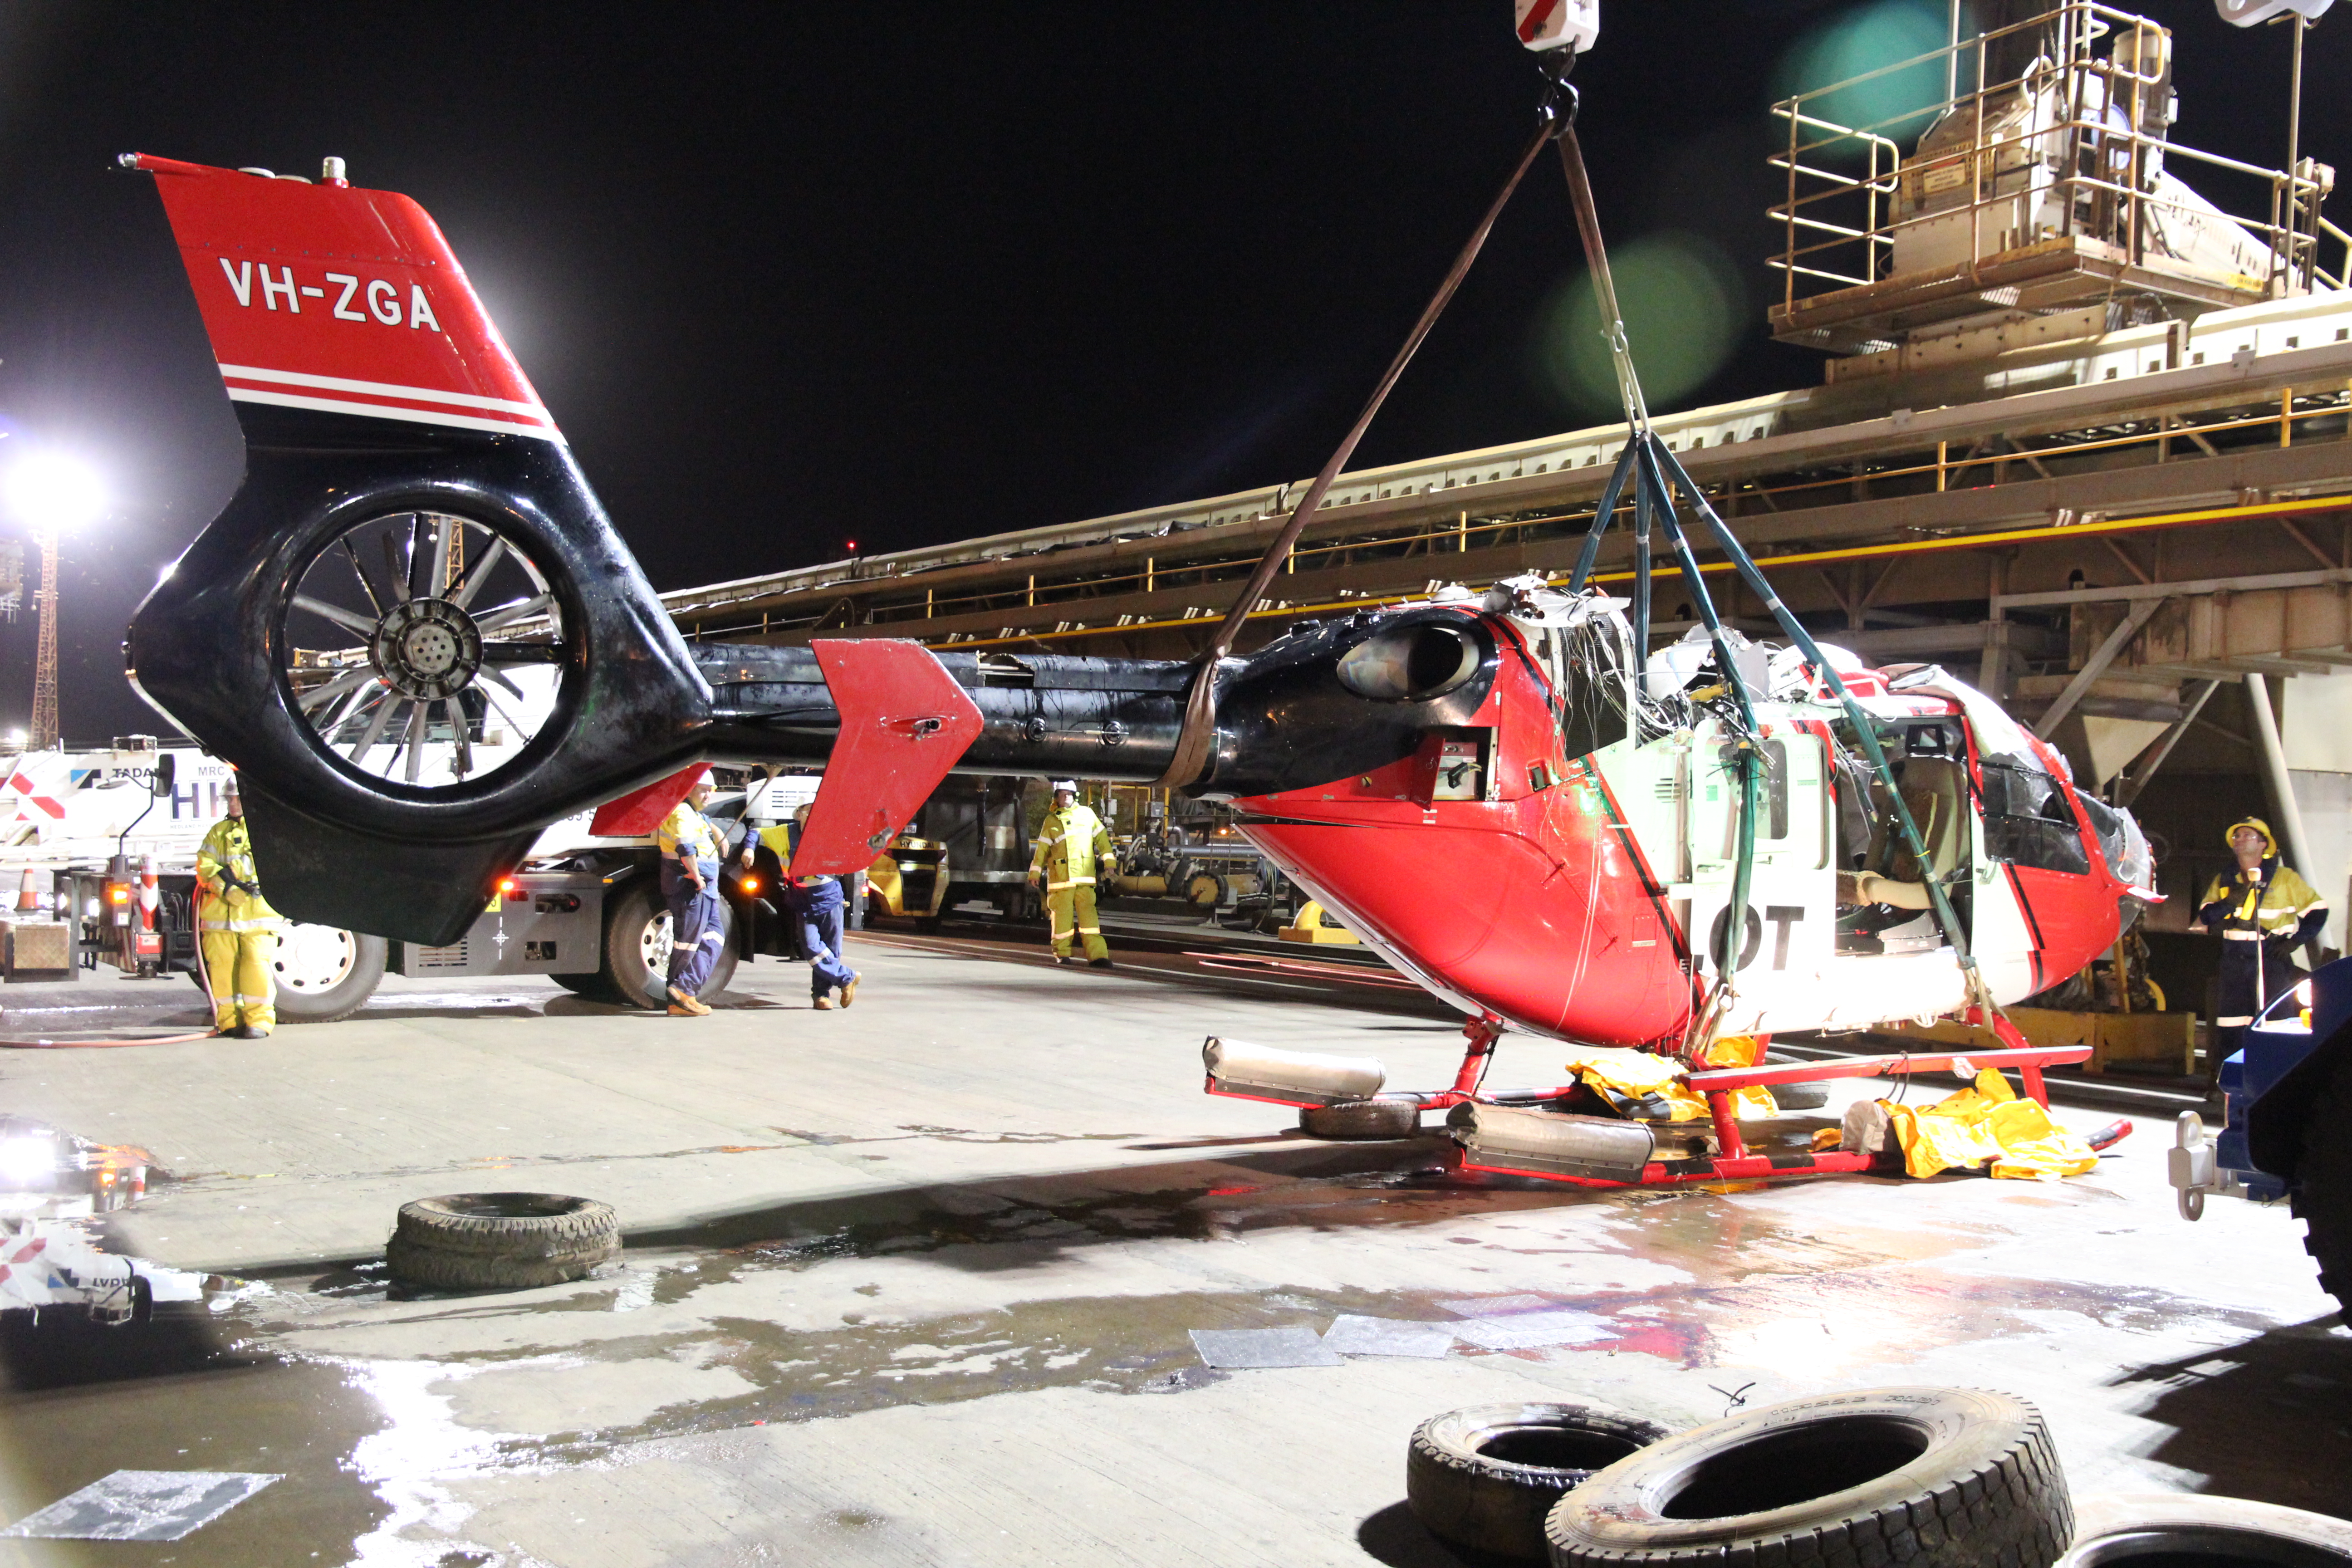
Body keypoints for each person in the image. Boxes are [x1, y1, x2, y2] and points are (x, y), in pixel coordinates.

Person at [2198, 816, 2328, 1059]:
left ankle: (2273, 1074)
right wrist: (2228, 903)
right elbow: (2206, 917)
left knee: (2274, 1020)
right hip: (2234, 959)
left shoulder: (2285, 879)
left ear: (2263, 844)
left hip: (2270, 956)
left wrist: (2295, 941)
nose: (2241, 840)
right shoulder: (2226, 880)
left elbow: (2318, 912)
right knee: (2231, 1021)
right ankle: (2231, 1078)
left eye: (2249, 835)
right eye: (2238, 836)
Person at [745, 803, 860, 1009]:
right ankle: (847, 977)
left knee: (832, 949)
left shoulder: (831, 832)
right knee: (810, 947)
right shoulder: (785, 833)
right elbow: (755, 833)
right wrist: (749, 849)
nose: (813, 813)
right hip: (802, 898)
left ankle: (821, 996)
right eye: (808, 810)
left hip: (829, 896)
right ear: (799, 814)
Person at [195, 775, 283, 1039]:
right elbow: (204, 865)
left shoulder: (268, 832)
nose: (234, 803)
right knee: (222, 969)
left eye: (238, 798)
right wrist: (226, 887)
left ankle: (259, 1021)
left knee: (256, 965)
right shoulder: (218, 832)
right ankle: (229, 1021)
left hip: (258, 914)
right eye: (230, 799)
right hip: (220, 917)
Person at [655, 768, 728, 1016]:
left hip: (705, 889)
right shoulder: (681, 811)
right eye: (704, 790)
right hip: (690, 884)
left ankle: (685, 990)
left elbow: (701, 825)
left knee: (714, 936)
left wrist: (717, 831)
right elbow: (685, 846)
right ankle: (679, 998)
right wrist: (696, 874)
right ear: (690, 790)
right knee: (688, 942)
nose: (709, 796)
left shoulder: (694, 813)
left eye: (712, 791)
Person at [1029, 779, 1116, 968]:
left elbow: (1103, 841)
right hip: (1061, 881)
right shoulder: (1051, 821)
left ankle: (1098, 956)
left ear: (1075, 796)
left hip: (1084, 880)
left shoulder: (1087, 815)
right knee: (1062, 923)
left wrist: (1110, 862)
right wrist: (1035, 873)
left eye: (1069, 794)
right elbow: (1042, 850)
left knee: (1090, 923)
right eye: (1062, 794)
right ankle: (1062, 954)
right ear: (1056, 798)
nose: (1065, 797)